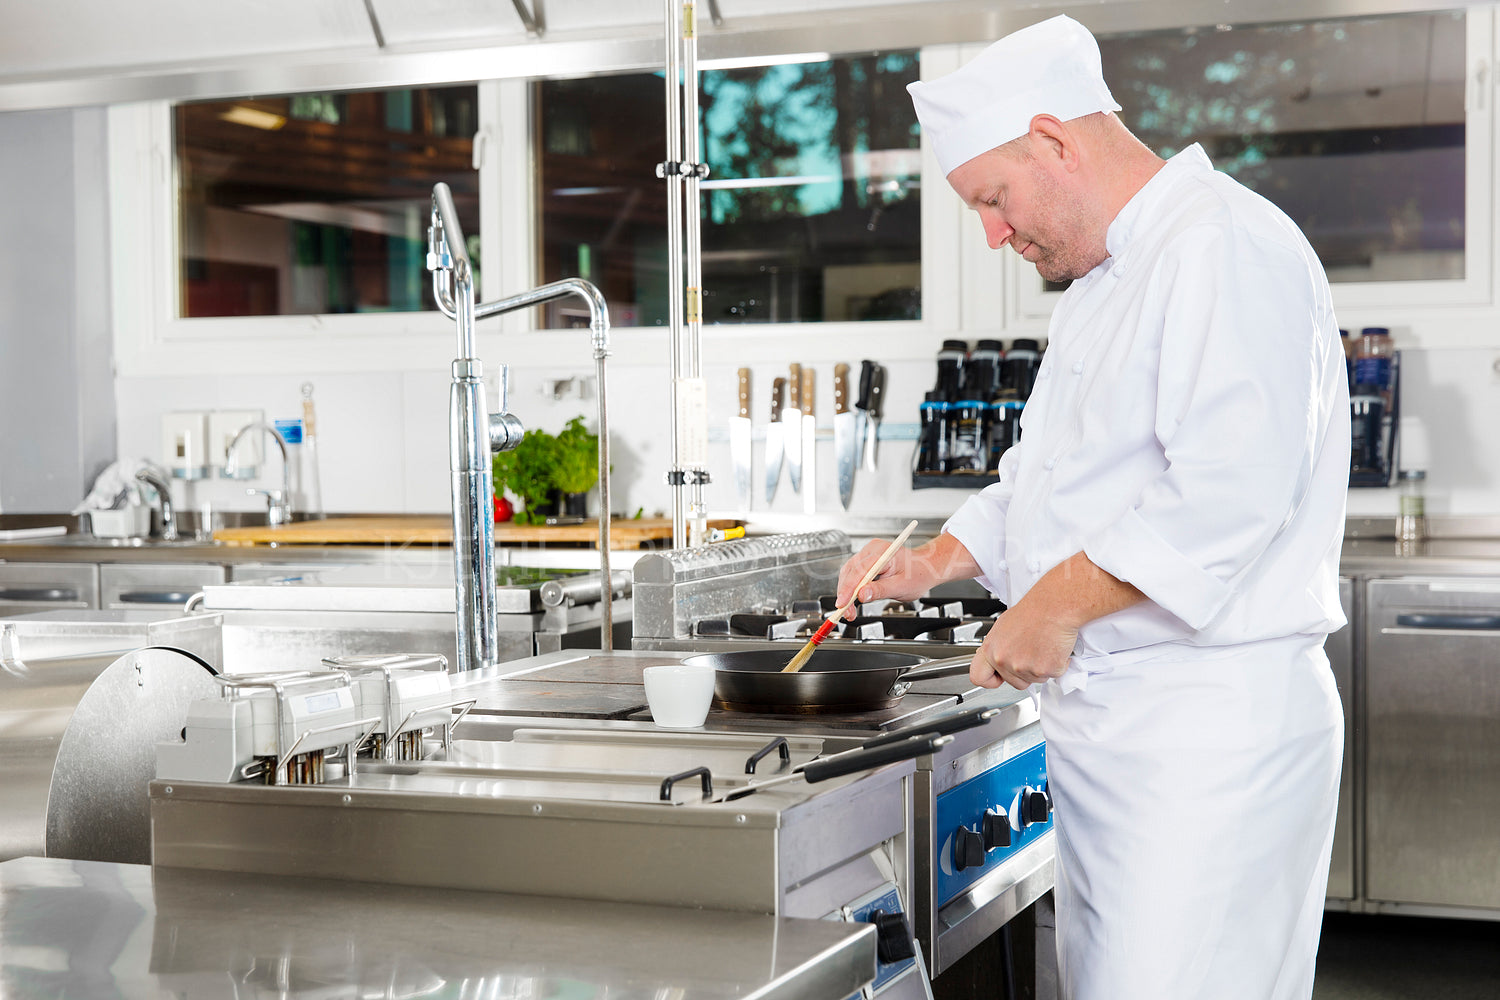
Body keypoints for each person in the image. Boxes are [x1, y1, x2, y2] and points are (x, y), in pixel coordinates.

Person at [836, 15, 1349, 1000]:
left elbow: (1229, 492)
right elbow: (1043, 479)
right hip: (1119, 742)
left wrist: (1056, 603)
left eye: (994, 198)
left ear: (1056, 141)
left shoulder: (1225, 245)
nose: (992, 233)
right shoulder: (1099, 287)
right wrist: (934, 558)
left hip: (1207, 742)